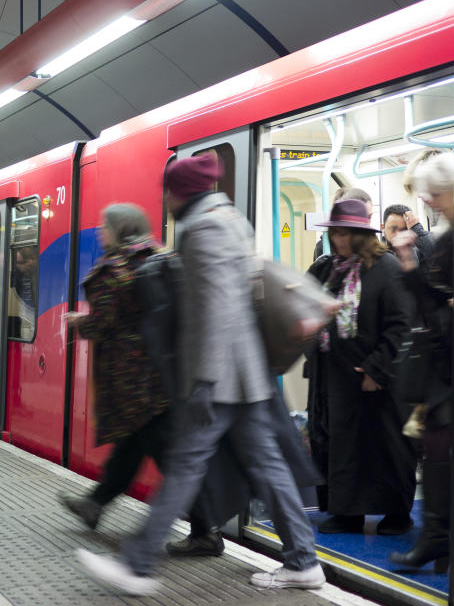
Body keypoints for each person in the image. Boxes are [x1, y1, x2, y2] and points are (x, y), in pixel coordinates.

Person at [77, 152, 324, 595]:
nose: (165, 201)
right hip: (245, 376)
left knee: (188, 464)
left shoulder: (204, 229)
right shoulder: (228, 218)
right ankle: (303, 562)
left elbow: (215, 308)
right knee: (268, 466)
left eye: (167, 192)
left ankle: (137, 564)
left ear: (178, 192)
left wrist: (204, 381)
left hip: (222, 377)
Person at [305, 199, 416, 536]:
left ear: (361, 235)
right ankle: (346, 511)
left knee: (387, 446)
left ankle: (397, 513)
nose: (339, 240)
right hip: (334, 373)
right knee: (340, 444)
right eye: (335, 234)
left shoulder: (386, 269)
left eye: (346, 234)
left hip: (377, 376)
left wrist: (376, 367)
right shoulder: (327, 269)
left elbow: (401, 323)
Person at [61, 204, 171, 530]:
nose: (100, 232)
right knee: (134, 443)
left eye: (104, 226)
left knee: (164, 454)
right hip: (158, 374)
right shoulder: (157, 256)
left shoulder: (115, 270)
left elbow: (104, 323)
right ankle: (95, 503)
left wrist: (82, 320)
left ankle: (204, 527)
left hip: (130, 378)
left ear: (120, 229)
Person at [389, 153, 454, 570]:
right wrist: (410, 264)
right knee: (437, 449)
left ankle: (439, 536)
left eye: (435, 194)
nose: (430, 202)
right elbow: (436, 302)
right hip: (447, 361)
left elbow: (438, 306)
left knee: (440, 449)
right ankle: (439, 536)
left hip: (453, 365)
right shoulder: (453, 236)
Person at [313, 187, 373, 260]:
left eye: (369, 217)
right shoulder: (324, 264)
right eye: (338, 232)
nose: (339, 239)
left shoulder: (377, 259)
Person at [381, 204, 434, 271]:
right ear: (383, 228)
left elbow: (442, 261)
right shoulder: (377, 255)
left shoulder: (420, 252)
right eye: (393, 229)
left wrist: (419, 233)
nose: (398, 235)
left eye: (404, 230)